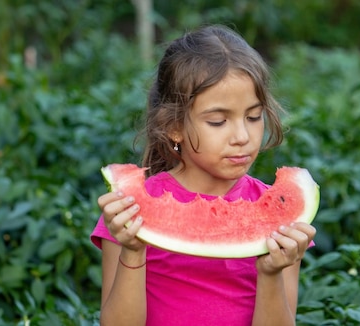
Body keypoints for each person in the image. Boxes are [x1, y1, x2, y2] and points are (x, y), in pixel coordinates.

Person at [90, 24, 316, 325]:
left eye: (253, 116)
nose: (242, 136)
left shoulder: (282, 222)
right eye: (218, 121)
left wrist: (271, 272)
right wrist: (133, 251)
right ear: (174, 127)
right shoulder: (129, 212)